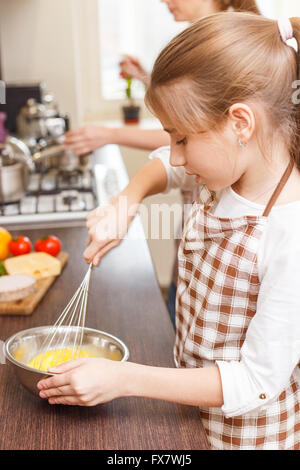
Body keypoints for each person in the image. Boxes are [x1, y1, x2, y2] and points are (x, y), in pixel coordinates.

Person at [37, 13, 300, 450]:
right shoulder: (230, 171)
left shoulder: (289, 232)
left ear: (240, 124)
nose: (177, 157)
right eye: (172, 138)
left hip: (246, 438)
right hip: (190, 412)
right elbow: (166, 165)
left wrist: (123, 379)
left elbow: (256, 381)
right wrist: (126, 200)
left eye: (183, 139)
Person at [66, 0, 261, 328]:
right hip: (195, 262)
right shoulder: (201, 44)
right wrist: (128, 198)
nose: (164, 0)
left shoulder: (230, 52)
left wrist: (110, 134)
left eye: (181, 140)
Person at [64, 0, 259, 156]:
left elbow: (193, 135)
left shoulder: (224, 45)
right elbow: (196, 104)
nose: (163, 1)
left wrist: (110, 134)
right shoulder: (206, 40)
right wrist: (145, 77)